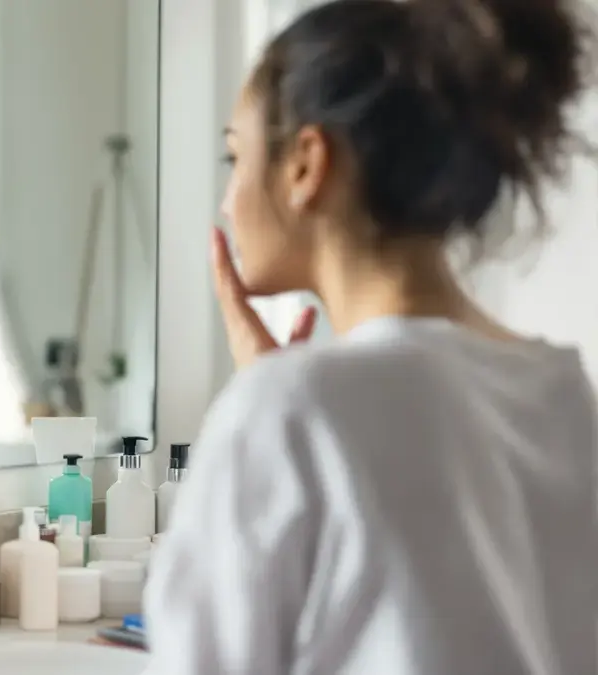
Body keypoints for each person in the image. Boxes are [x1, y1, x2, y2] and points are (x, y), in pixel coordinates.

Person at [145, 0, 596, 673]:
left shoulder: (290, 411)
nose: (226, 199)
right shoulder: (559, 391)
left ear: (305, 163)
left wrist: (272, 410)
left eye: (233, 156)